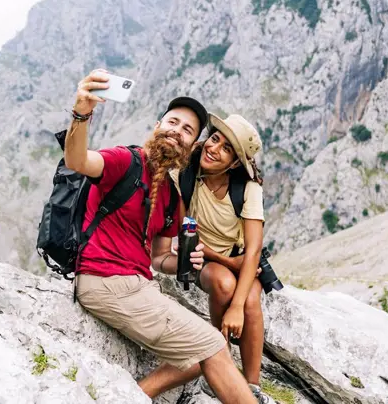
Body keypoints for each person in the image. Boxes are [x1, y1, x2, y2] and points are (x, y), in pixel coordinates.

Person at [66, 69, 257, 403]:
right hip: (106, 279)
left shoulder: (170, 194)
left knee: (201, 349)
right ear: (157, 126)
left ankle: (136, 395)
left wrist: (187, 260)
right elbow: (78, 160)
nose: (177, 132)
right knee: (213, 345)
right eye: (172, 122)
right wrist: (82, 112)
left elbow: (159, 258)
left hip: (136, 284)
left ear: (191, 145)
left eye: (187, 130)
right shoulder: (124, 161)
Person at [175, 113, 273, 404]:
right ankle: (223, 367)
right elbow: (185, 233)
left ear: (234, 163)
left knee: (250, 300)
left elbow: (253, 250)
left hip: (238, 257)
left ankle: (251, 385)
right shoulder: (188, 171)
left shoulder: (248, 188)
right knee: (223, 282)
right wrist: (228, 262)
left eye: (226, 148)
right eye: (215, 139)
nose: (214, 148)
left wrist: (238, 308)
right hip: (200, 256)